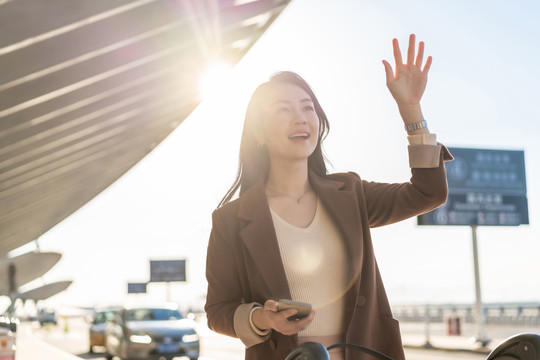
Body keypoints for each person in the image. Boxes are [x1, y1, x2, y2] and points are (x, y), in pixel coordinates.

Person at [204, 34, 453, 360]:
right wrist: (262, 318)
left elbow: (427, 193)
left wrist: (411, 110)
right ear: (259, 133)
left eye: (308, 108)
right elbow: (218, 310)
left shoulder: (350, 193)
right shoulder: (231, 220)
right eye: (284, 110)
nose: (300, 117)